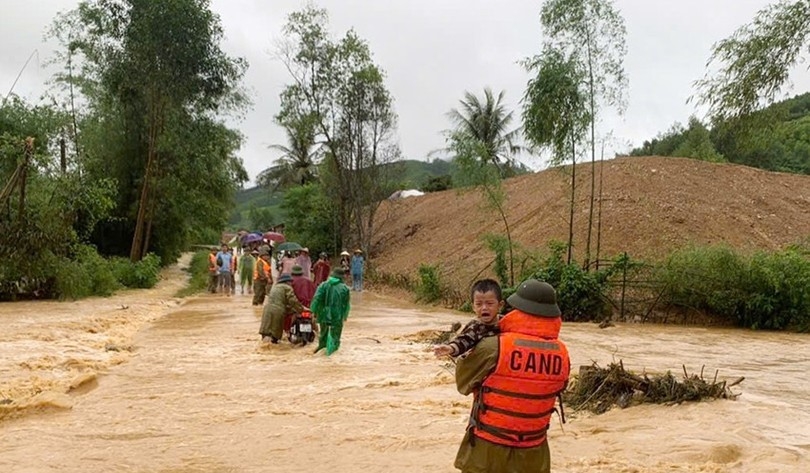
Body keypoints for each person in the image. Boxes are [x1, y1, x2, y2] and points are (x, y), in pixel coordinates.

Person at [453, 279, 570, 473]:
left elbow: (462, 383)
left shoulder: (494, 346)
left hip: (489, 448)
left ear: (517, 309)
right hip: (535, 449)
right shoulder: (562, 353)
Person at [433, 279, 503, 358]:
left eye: (489, 303)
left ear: (500, 305)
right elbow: (463, 341)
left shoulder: (507, 322)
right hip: (481, 366)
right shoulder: (475, 327)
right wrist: (451, 348)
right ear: (473, 307)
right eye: (479, 304)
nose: (484, 308)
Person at [311, 267, 351, 356]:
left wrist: (313, 311)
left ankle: (321, 347)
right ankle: (333, 352)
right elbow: (346, 304)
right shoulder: (345, 288)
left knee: (323, 332)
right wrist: (345, 315)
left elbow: (316, 298)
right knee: (335, 335)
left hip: (324, 313)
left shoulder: (323, 285)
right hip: (337, 315)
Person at [259, 273, 304, 344]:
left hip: (267, 310)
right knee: (274, 336)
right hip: (278, 312)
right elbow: (292, 301)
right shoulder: (287, 288)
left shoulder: (274, 287)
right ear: (287, 281)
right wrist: (301, 309)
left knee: (266, 332)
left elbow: (280, 300)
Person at [286, 265, 316, 334]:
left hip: (296, 307)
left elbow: (288, 297)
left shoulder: (290, 281)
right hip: (308, 306)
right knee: (314, 324)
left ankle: (287, 332)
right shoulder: (309, 281)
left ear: (292, 273)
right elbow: (315, 294)